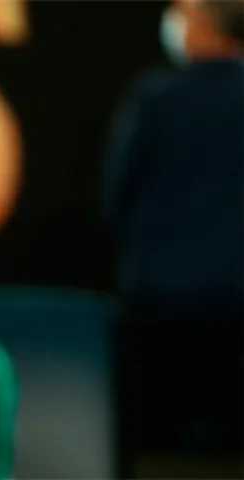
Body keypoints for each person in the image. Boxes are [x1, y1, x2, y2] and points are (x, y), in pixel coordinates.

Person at [104, 0, 243, 476]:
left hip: (160, 298)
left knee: (159, 444)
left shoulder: (155, 97)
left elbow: (117, 192)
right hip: (231, 301)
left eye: (184, 14)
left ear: (202, 25)